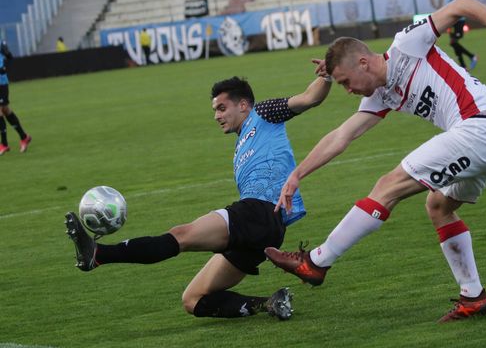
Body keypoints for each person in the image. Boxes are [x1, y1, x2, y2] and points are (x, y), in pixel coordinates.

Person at [264, 0, 486, 323]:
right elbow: (341, 136)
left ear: (363, 62)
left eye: (346, 82)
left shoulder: (407, 44)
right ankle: (473, 296)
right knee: (438, 207)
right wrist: (297, 174)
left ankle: (316, 262)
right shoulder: (381, 94)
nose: (348, 91)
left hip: (480, 129)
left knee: (387, 185)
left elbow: (459, 4)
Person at [65, 74, 332, 320]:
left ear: (243, 105)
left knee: (181, 235)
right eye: (215, 110)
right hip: (267, 229)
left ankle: (99, 254)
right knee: (192, 299)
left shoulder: (263, 113)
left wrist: (327, 74)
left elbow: (311, 98)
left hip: (258, 212)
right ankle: (270, 304)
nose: (217, 116)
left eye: (221, 108)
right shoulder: (241, 145)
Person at [0, 41, 32, 156]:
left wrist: (6, 52)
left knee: (0, 111)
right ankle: (24, 137)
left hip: (1, 83)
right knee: (6, 110)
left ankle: (4, 144)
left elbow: (10, 57)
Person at [443, 0, 477, 70]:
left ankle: (471, 57)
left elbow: (458, 0)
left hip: (459, 19)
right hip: (452, 20)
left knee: (454, 41)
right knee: (453, 43)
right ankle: (463, 66)